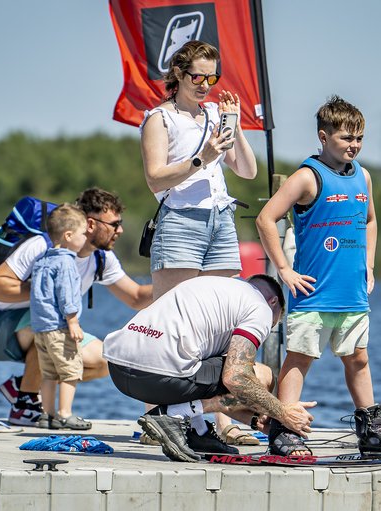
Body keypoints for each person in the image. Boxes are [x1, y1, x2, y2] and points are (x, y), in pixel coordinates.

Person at [255, 96, 381, 457]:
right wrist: (285, 269)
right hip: (314, 292)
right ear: (324, 137)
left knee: (358, 359)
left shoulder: (363, 176)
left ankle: (371, 429)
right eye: (345, 138)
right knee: (299, 359)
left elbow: (370, 220)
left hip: (352, 292)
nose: (353, 145)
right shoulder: (307, 177)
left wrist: (369, 265)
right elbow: (266, 218)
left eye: (358, 139)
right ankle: (284, 428)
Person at [139, 39, 260, 445]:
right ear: (178, 74)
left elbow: (246, 169)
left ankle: (219, 418)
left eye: (213, 76)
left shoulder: (214, 114)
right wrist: (201, 158)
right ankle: (156, 416)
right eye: (198, 76)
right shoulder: (159, 118)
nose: (206, 84)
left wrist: (235, 127)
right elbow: (156, 177)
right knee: (170, 322)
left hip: (220, 219)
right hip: (180, 220)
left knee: (221, 322)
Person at [0, 187, 153, 425]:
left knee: (104, 361)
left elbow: (137, 297)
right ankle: (25, 403)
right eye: (114, 224)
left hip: (39, 324)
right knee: (53, 328)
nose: (120, 230)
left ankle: (25, 386)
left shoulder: (101, 258)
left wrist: (179, 282)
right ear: (90, 224)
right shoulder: (42, 246)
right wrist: (46, 292)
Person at [103, 275, 316, 463]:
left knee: (208, 364)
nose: (266, 330)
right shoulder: (261, 308)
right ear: (273, 302)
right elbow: (237, 378)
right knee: (261, 375)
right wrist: (282, 411)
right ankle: (171, 415)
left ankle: (198, 432)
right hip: (158, 376)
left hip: (119, 371)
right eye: (271, 326)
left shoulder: (216, 288)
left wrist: (256, 416)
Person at [30, 205, 91, 430]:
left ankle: (47, 415)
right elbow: (67, 295)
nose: (86, 237)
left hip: (40, 328)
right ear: (68, 236)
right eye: (83, 233)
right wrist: (72, 321)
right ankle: (65, 414)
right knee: (69, 371)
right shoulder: (66, 262)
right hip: (59, 327)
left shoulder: (43, 260)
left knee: (49, 373)